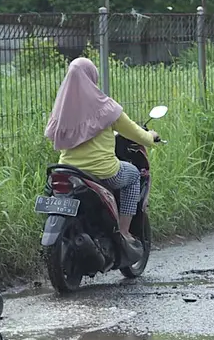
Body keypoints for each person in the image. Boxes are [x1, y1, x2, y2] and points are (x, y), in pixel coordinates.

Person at [45, 57, 158, 260]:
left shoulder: (61, 109)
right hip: (103, 172)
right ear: (92, 78)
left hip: (67, 171)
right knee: (133, 175)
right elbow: (136, 133)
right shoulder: (106, 108)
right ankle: (124, 231)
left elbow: (54, 136)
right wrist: (151, 137)